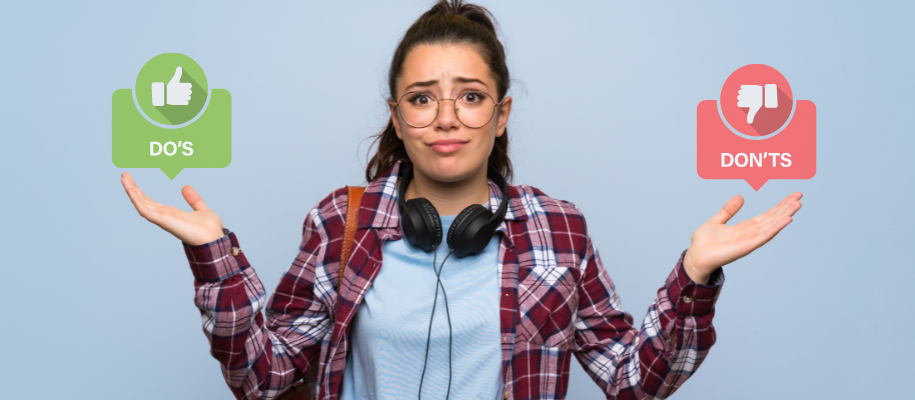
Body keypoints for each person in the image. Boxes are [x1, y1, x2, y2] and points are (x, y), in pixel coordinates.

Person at [120, 1, 803, 399]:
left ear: (501, 114)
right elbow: (263, 378)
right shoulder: (340, 222)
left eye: (470, 97)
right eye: (422, 99)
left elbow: (632, 382)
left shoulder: (557, 231)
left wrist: (693, 276)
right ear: (396, 115)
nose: (446, 118)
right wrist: (214, 256)